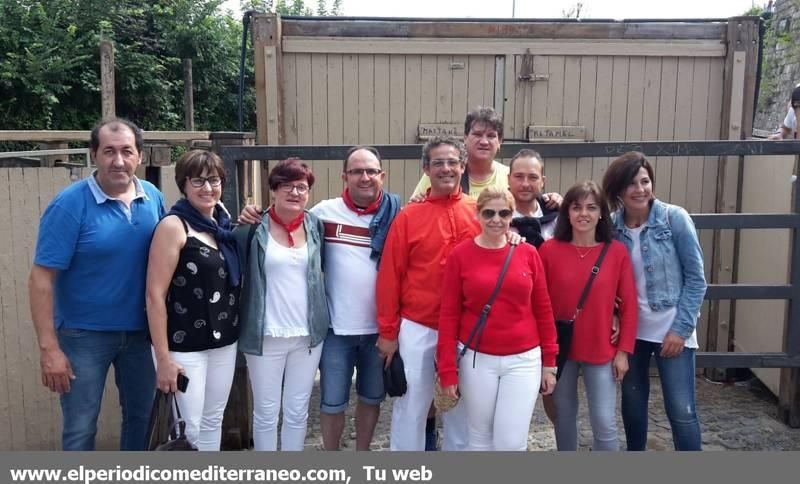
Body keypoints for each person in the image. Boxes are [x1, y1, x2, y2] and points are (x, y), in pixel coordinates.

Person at [237, 147, 402, 451]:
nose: (364, 177)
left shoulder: (397, 214)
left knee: (368, 399)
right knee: (329, 402)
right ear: (344, 177)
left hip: (375, 329)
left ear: (382, 175)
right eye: (356, 171)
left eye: (371, 171)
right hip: (333, 328)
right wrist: (252, 214)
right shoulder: (322, 215)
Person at [29, 118, 165, 450]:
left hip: (140, 335)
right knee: (80, 428)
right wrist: (49, 348)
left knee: (143, 421)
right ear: (94, 155)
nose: (118, 161)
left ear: (140, 156)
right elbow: (41, 278)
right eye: (109, 151)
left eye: (126, 151)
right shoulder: (69, 205)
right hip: (82, 336)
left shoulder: (152, 197)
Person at [376, 136, 477, 451]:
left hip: (466, 329)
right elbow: (390, 276)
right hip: (419, 326)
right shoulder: (408, 216)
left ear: (463, 166)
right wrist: (388, 332)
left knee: (463, 411)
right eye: (438, 163)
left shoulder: (481, 212)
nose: (446, 169)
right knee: (411, 409)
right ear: (426, 169)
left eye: (452, 162)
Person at [437, 187, 558, 451]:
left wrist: (550, 362)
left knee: (511, 443)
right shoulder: (460, 255)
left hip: (524, 359)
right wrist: (447, 370)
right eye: (489, 213)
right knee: (479, 438)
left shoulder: (527, 253)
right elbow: (448, 315)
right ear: (478, 215)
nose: (496, 219)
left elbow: (543, 309)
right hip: (477, 359)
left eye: (504, 213)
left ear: (511, 216)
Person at [602, 152, 707, 451]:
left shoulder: (675, 218)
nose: (640, 189)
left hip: (672, 331)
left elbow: (696, 279)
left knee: (681, 410)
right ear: (619, 189)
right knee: (633, 407)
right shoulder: (611, 227)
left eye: (645, 181)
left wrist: (680, 330)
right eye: (631, 183)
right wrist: (614, 316)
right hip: (632, 334)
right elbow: (606, 281)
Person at [145, 150, 241, 451]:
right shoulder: (174, 226)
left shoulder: (223, 227)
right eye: (197, 180)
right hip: (184, 348)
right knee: (190, 431)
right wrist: (163, 359)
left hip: (223, 342)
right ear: (183, 185)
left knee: (213, 421)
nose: (207, 188)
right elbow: (154, 295)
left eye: (213, 180)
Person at [234, 158, 329, 451]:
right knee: (265, 412)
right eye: (287, 186)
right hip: (266, 335)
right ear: (273, 190)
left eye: (302, 187)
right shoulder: (250, 229)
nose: (295, 193)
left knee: (298, 410)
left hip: (307, 336)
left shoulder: (315, 226)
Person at [538, 181, 638, 451]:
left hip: (601, 349)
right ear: (566, 213)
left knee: (604, 422)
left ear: (602, 213)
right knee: (564, 417)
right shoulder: (548, 251)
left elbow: (629, 304)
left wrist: (623, 352)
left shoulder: (616, 252)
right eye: (576, 207)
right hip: (561, 350)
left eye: (591, 208)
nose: (584, 214)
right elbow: (538, 303)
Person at [411, 106, 562, 207]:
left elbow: (529, 204)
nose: (484, 141)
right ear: (465, 137)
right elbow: (416, 207)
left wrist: (552, 200)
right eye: (477, 134)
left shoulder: (511, 175)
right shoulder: (445, 173)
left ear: (500, 141)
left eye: (491, 136)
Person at [507, 149, 559, 247]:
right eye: (519, 176)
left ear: (542, 181)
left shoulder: (558, 218)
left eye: (533, 177)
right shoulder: (495, 218)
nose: (525, 184)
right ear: (508, 179)